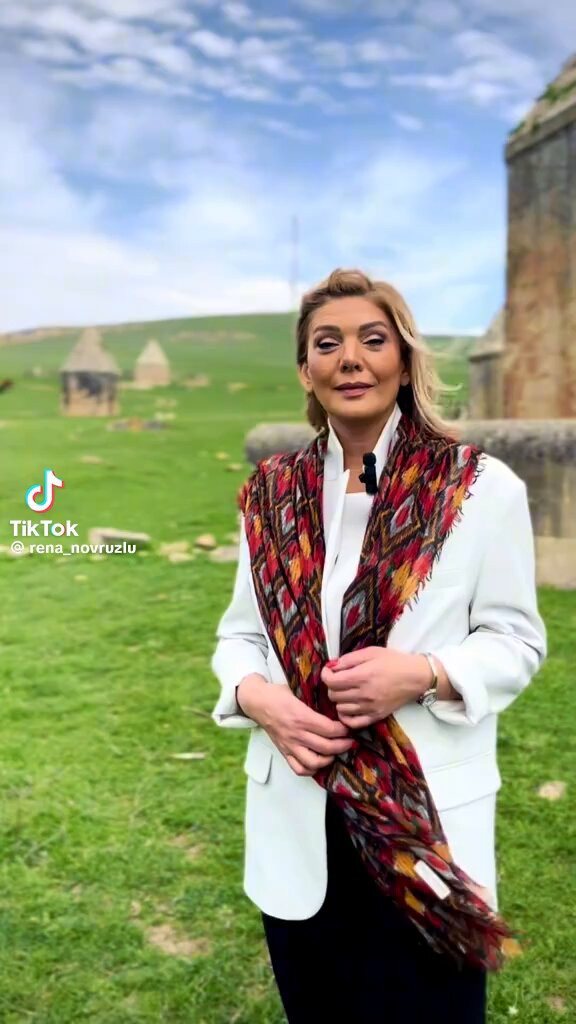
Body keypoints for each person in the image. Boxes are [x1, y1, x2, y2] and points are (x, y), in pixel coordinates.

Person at [210, 268, 547, 1023]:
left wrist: (424, 673)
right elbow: (241, 633)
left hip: (422, 825)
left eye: (373, 339)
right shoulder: (271, 494)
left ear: (403, 359)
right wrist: (258, 698)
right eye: (327, 344)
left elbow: (516, 640)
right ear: (307, 370)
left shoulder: (480, 488)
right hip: (300, 809)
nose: (351, 359)